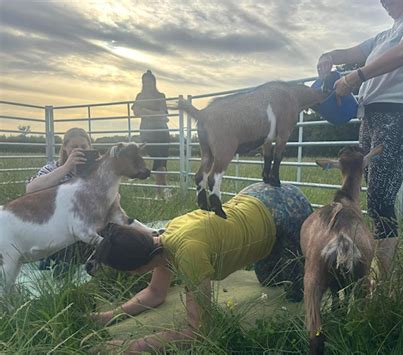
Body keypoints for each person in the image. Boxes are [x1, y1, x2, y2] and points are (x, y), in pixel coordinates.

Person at [91, 182, 313, 352]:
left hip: (287, 208)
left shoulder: (188, 253)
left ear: (135, 270)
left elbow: (198, 330)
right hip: (257, 195)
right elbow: (156, 293)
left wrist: (132, 347)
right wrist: (109, 315)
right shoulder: (162, 242)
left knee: (294, 292)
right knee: (267, 280)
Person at [316, 0, 403, 274]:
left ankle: (384, 281)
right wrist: (329, 56)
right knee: (373, 195)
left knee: (380, 198)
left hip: (400, 114)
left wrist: (355, 77)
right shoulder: (384, 36)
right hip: (371, 116)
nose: (383, 0)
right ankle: (378, 272)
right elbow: (351, 51)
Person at [27, 127, 94, 273]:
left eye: (83, 146)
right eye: (74, 147)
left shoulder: (95, 171)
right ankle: (60, 259)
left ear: (90, 147)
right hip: (55, 224)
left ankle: (56, 258)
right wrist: (66, 167)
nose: (79, 150)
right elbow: (31, 189)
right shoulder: (52, 168)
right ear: (65, 148)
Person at [132, 70, 172, 200]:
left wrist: (146, 111)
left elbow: (164, 115)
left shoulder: (160, 95)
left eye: (149, 81)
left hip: (162, 133)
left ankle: (159, 193)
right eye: (144, 82)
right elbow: (136, 112)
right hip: (147, 134)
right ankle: (164, 190)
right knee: (158, 158)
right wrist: (156, 115)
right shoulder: (140, 96)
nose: (146, 84)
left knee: (161, 161)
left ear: (154, 82)